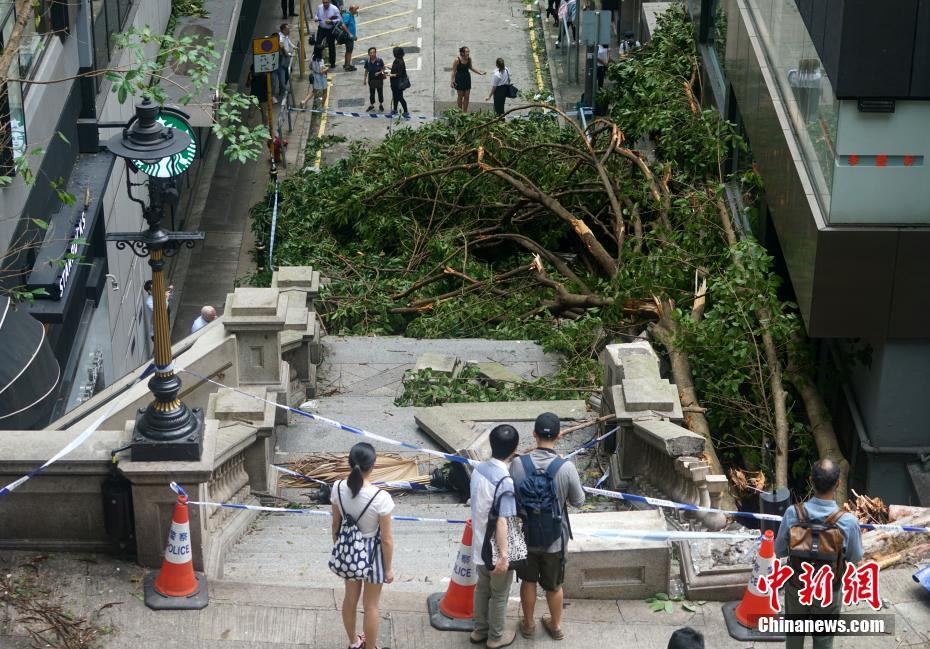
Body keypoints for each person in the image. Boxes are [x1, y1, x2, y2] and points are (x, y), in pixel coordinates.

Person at [510, 412, 585, 642]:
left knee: (528, 581)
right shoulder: (566, 468)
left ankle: (530, 624)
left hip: (527, 535)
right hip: (555, 539)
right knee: (554, 586)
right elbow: (578, 501)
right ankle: (555, 625)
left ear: (533, 434)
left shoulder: (518, 464)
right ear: (559, 435)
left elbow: (511, 496)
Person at [774, 459, 864, 649]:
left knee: (794, 636)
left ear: (811, 481)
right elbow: (855, 557)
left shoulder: (793, 513)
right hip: (828, 591)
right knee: (823, 640)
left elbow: (779, 550)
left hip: (797, 586)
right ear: (838, 483)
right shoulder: (848, 522)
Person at [332, 443, 395, 649]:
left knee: (350, 599)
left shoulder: (338, 487)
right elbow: (386, 538)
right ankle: (370, 647)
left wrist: (341, 550)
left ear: (350, 462)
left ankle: (353, 642)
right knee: (371, 606)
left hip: (349, 548)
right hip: (373, 553)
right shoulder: (381, 497)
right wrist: (388, 568)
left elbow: (336, 524)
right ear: (373, 465)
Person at [470, 425, 520, 649]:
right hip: (494, 546)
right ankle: (496, 636)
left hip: (478, 542)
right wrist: (504, 555)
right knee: (499, 594)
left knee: (482, 587)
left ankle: (479, 630)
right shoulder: (505, 481)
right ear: (515, 449)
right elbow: (502, 521)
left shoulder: (478, 469)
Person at [450, 46, 485, 113]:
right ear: (462, 53)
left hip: (467, 78)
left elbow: (471, 67)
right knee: (460, 96)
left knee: (467, 96)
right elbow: (454, 71)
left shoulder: (469, 59)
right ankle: (460, 111)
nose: (468, 53)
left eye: (468, 51)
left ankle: (465, 112)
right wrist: (452, 81)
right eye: (467, 52)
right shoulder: (457, 60)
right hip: (459, 79)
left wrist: (479, 73)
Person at [315, 0, 342, 68]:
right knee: (317, 43)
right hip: (321, 29)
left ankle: (332, 62)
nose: (325, 4)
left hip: (330, 29)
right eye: (324, 2)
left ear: (329, 2)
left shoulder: (334, 9)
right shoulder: (319, 7)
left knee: (331, 46)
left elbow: (339, 19)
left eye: (326, 2)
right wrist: (316, 18)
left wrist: (332, 21)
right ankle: (316, 60)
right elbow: (316, 15)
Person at [275, 23, 297, 104]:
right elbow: (282, 48)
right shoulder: (280, 38)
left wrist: (294, 47)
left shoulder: (285, 36)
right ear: (284, 30)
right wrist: (288, 53)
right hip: (282, 60)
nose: (289, 30)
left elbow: (289, 42)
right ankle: (283, 94)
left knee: (288, 73)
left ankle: (282, 89)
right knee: (282, 78)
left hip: (286, 59)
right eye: (288, 29)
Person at [387, 46, 409, 117]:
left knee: (400, 97)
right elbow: (395, 69)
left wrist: (390, 75)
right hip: (394, 83)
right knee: (395, 96)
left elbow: (398, 74)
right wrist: (389, 68)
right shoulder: (396, 60)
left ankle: (406, 111)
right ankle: (395, 109)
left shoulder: (400, 62)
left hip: (398, 83)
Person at [363, 47, 386, 112]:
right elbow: (366, 71)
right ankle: (372, 105)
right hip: (371, 80)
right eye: (371, 53)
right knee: (372, 93)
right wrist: (364, 80)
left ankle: (381, 104)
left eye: (373, 52)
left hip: (379, 80)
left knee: (380, 92)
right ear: (368, 54)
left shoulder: (380, 60)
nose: (372, 54)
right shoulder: (367, 62)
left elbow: (383, 69)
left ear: (375, 53)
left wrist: (379, 72)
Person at [340, 5, 359, 72]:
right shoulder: (347, 16)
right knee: (349, 51)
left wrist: (354, 35)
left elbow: (352, 26)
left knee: (348, 51)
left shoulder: (351, 15)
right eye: (355, 9)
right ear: (351, 9)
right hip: (348, 37)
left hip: (351, 37)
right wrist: (349, 33)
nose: (356, 11)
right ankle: (347, 66)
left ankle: (346, 64)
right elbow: (343, 25)